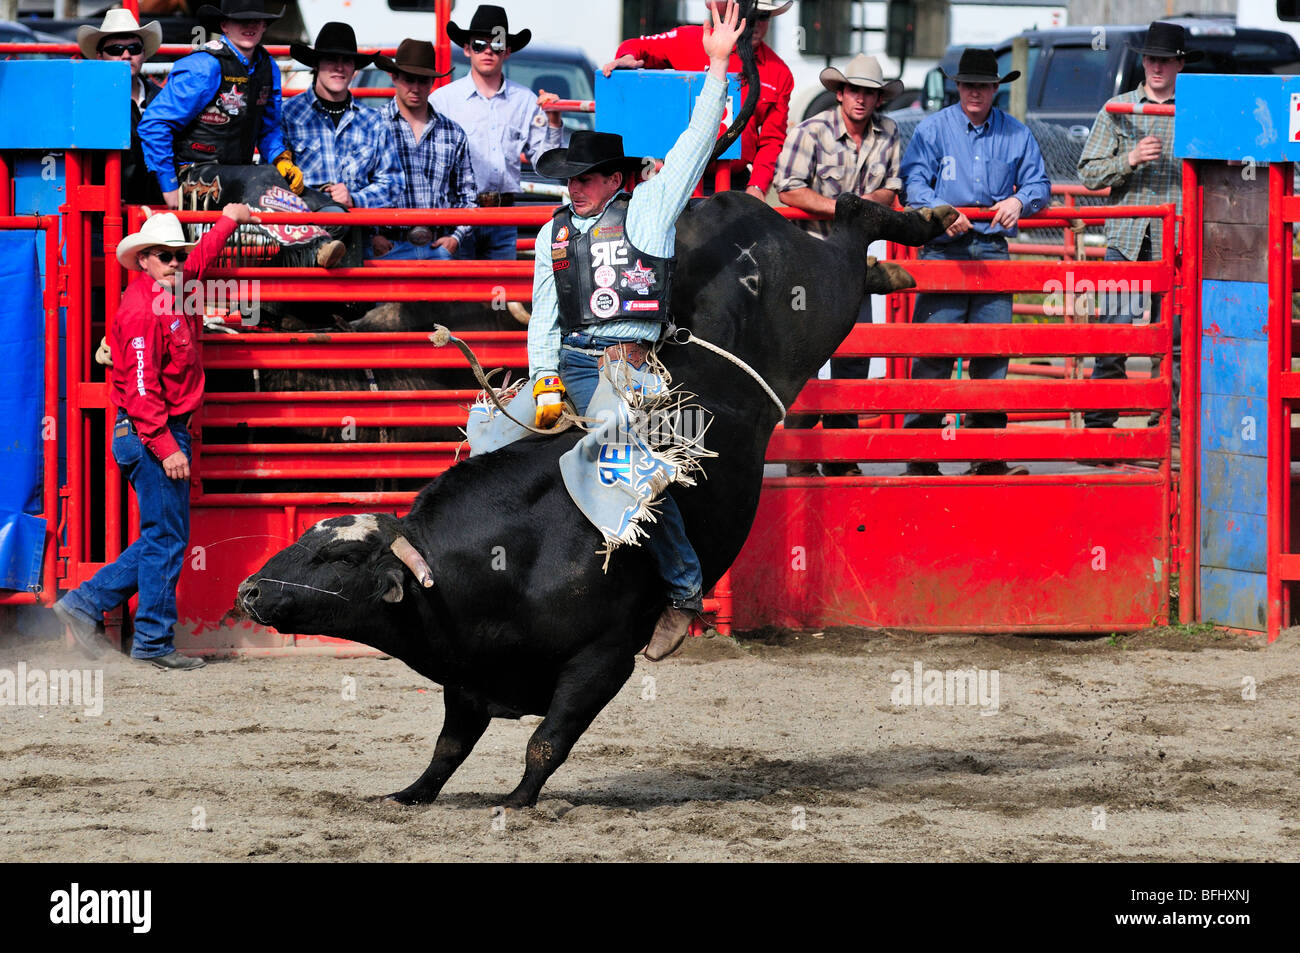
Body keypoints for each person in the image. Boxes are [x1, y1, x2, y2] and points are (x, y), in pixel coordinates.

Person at [529, 0, 745, 661]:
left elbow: (694, 145)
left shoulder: (650, 211)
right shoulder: (552, 233)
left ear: (615, 180)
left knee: (625, 462)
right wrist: (541, 379)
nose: (576, 188)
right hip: (571, 359)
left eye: (587, 178)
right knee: (506, 444)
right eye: (571, 179)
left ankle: (682, 590)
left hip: (632, 366)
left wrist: (715, 66)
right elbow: (545, 313)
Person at [52, 203, 258, 669]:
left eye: (177, 255)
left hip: (150, 432)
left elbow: (201, 257)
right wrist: (166, 446)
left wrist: (228, 218)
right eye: (164, 255)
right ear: (144, 259)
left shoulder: (169, 291)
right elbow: (144, 392)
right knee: (165, 539)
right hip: (153, 433)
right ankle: (151, 642)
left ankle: (84, 603)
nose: (175, 263)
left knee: (162, 537)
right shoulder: (144, 311)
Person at [899, 47, 1051, 477]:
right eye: (968, 85)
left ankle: (986, 455)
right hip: (944, 249)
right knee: (933, 351)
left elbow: (1040, 183)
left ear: (995, 89)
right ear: (957, 86)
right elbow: (914, 184)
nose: (975, 93)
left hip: (990, 251)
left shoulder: (1016, 134)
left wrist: (1021, 199)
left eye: (983, 86)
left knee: (991, 353)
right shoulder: (933, 130)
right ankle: (922, 454)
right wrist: (942, 211)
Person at [138, 0, 347, 268]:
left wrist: (281, 158)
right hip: (195, 175)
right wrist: (169, 186)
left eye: (258, 20)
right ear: (224, 25)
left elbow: (269, 128)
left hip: (244, 176)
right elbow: (154, 124)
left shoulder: (267, 66)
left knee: (335, 213)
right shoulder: (204, 66)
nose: (251, 25)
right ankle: (314, 248)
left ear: (264, 26)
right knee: (265, 177)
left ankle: (300, 291)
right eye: (242, 20)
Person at [776, 53, 903, 477]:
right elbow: (788, 189)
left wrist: (852, 211)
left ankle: (840, 455)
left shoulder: (888, 134)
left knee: (852, 358)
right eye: (855, 90)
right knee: (808, 356)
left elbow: (890, 189)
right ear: (841, 92)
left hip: (855, 263)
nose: (861, 99)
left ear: (877, 98)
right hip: (813, 259)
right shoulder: (812, 131)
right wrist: (846, 210)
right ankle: (801, 454)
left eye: (869, 92)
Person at [1077, 20, 1195, 450]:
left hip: (1179, 243)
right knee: (1115, 336)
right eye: (1151, 58)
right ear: (1142, 61)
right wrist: (1128, 158)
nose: (1157, 66)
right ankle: (1100, 430)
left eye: (1165, 59)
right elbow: (1088, 173)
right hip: (1128, 242)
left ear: (1179, 63)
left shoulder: (1195, 110)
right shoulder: (1116, 108)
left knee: (1179, 341)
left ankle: (1172, 427)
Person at [601, 0, 792, 199]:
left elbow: (772, 140)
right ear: (731, 13)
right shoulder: (689, 39)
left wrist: (757, 186)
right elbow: (638, 46)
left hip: (732, 182)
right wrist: (627, 57)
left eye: (762, 17)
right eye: (750, 15)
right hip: (677, 176)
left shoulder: (779, 73)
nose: (756, 24)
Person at [430, 4, 566, 260]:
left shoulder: (525, 101)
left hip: (504, 216)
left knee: (500, 288)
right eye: (480, 44)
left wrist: (554, 122)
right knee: (459, 295)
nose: (488, 50)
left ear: (507, 51)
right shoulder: (442, 101)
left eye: (498, 44)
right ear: (467, 49)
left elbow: (544, 163)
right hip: (456, 214)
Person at [281, 22, 404, 262]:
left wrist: (355, 199)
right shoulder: (288, 115)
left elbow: (393, 183)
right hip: (301, 237)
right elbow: (273, 179)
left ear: (354, 68)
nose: (339, 67)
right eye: (330, 59)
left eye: (346, 61)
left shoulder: (373, 121)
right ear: (316, 64)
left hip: (359, 239)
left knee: (359, 298)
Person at [373, 40, 478, 261]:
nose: (415, 88)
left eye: (423, 81)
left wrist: (455, 237)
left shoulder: (453, 132)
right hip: (388, 243)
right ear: (394, 78)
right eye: (408, 79)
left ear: (432, 82)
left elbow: (467, 195)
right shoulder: (372, 126)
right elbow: (358, 186)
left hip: (437, 245)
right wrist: (372, 236)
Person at [78, 7, 164, 206]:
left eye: (133, 49)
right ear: (100, 56)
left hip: (157, 211)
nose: (126, 55)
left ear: (143, 53)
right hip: (107, 215)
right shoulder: (88, 101)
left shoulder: (164, 99)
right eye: (116, 50)